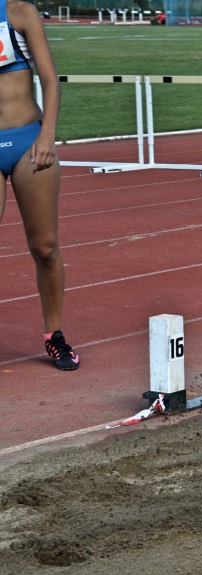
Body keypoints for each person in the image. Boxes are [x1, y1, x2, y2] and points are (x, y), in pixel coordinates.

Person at [0, 0, 79, 370]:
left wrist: (47, 135)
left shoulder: (19, 12)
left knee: (45, 247)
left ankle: (55, 335)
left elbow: (49, 79)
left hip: (29, 142)